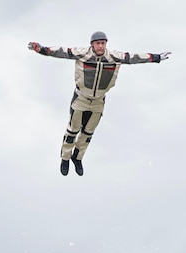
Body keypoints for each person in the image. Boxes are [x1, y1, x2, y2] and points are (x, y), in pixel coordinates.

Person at [27, 32, 171, 176]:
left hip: (98, 101)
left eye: (103, 43)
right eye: (98, 43)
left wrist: (156, 57)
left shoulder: (114, 56)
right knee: (73, 130)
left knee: (88, 132)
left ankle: (77, 157)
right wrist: (41, 49)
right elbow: (62, 52)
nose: (101, 46)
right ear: (92, 44)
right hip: (81, 98)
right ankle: (65, 158)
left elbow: (134, 57)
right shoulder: (82, 53)